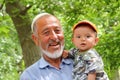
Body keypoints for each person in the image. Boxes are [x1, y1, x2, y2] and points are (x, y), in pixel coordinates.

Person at [20, 13, 73, 80]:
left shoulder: (81, 62)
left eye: (57, 31)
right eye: (46, 32)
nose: (54, 37)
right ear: (35, 39)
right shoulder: (30, 76)